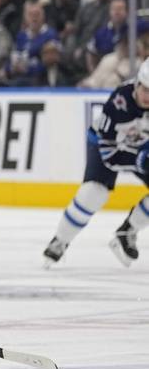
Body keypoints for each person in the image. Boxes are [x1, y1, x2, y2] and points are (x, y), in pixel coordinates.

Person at [43, 58, 149, 268]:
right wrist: (139, 159)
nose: (148, 96)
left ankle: (127, 232)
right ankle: (61, 240)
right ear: (137, 83)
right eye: (145, 89)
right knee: (94, 193)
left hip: (141, 149)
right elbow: (109, 154)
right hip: (106, 145)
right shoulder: (120, 101)